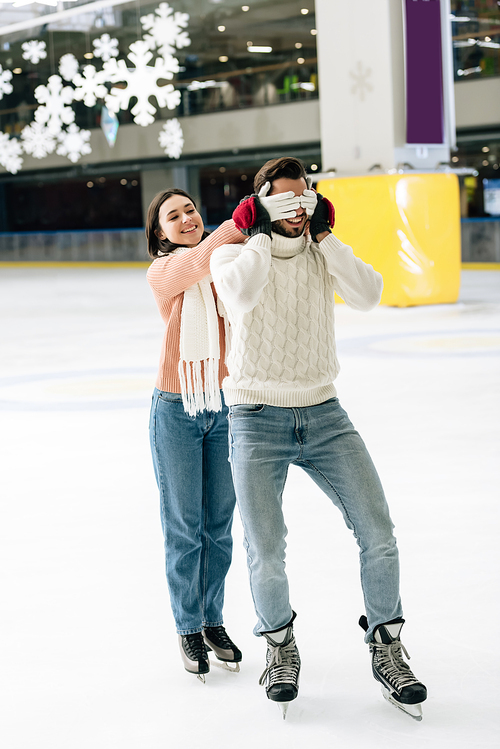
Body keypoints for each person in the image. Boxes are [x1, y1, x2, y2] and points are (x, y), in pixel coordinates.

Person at [210, 157, 427, 719]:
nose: (296, 207)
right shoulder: (234, 254)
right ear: (259, 204)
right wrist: (258, 231)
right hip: (256, 418)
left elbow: (370, 293)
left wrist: (326, 237)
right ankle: (280, 648)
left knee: (378, 532)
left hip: (326, 413)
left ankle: (388, 647)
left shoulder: (321, 251)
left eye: (303, 195)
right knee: (267, 549)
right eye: (282, 198)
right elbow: (241, 296)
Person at [146, 188, 244, 682]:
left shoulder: (222, 264)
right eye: (173, 216)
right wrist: (237, 222)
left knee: (219, 527)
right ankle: (187, 626)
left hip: (224, 406)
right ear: (159, 232)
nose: (186, 218)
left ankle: (212, 621)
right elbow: (199, 261)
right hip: (177, 409)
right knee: (185, 529)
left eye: (190, 210)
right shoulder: (164, 272)